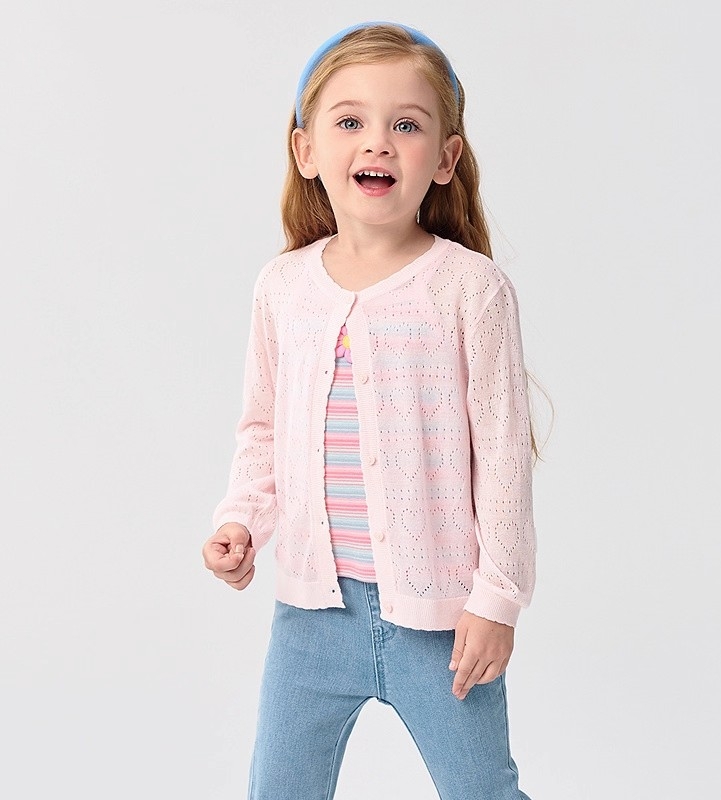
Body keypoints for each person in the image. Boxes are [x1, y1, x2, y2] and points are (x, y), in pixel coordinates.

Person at [202, 20, 540, 800]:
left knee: (482, 791)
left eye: (407, 125)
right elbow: (261, 429)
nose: (378, 142)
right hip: (312, 620)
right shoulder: (282, 287)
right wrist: (241, 519)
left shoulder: (469, 289)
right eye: (350, 121)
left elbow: (503, 458)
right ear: (306, 150)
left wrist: (497, 599)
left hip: (443, 622)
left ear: (446, 159)